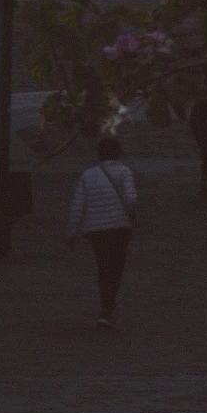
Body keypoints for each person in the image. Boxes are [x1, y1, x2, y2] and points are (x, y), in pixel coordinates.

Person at [67, 133, 137, 326]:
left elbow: (77, 206)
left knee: (103, 267)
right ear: (118, 154)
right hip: (119, 229)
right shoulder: (124, 172)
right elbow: (131, 200)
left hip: (96, 230)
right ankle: (108, 308)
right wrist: (132, 216)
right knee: (115, 269)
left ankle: (105, 308)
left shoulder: (88, 175)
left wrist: (72, 233)